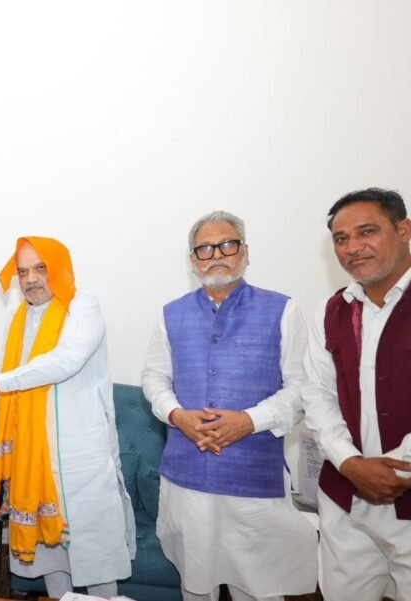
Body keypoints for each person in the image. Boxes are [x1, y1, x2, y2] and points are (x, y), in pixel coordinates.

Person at [141, 211, 317, 601]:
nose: (217, 255)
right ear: (193, 260)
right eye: (205, 248)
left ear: (245, 252)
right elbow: (154, 378)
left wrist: (248, 421)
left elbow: (301, 387)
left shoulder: (283, 310)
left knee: (259, 586)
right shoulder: (171, 314)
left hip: (253, 479)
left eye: (227, 244)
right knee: (195, 584)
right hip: (187, 478)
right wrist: (177, 415)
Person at [0, 237, 134, 598]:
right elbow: (6, 369)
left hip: (80, 460)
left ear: (60, 268)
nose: (30, 279)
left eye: (40, 268)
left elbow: (64, 361)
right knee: (50, 560)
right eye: (22, 272)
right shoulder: (19, 317)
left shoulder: (82, 305)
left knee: (94, 556)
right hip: (33, 459)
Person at [303, 188, 411, 601]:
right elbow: (317, 393)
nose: (352, 247)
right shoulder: (331, 310)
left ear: (404, 230)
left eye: (367, 232)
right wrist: (350, 462)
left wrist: (400, 469)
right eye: (341, 239)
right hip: (345, 500)